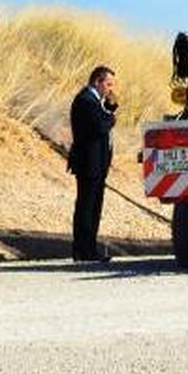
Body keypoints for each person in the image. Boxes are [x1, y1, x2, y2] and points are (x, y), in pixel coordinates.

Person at [67, 64, 118, 262]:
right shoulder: (86, 100)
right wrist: (111, 118)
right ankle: (83, 250)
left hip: (97, 162)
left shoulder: (95, 101)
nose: (111, 89)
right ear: (97, 82)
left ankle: (89, 248)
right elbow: (99, 126)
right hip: (89, 162)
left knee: (93, 206)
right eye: (108, 84)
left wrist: (109, 110)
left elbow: (101, 120)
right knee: (87, 207)